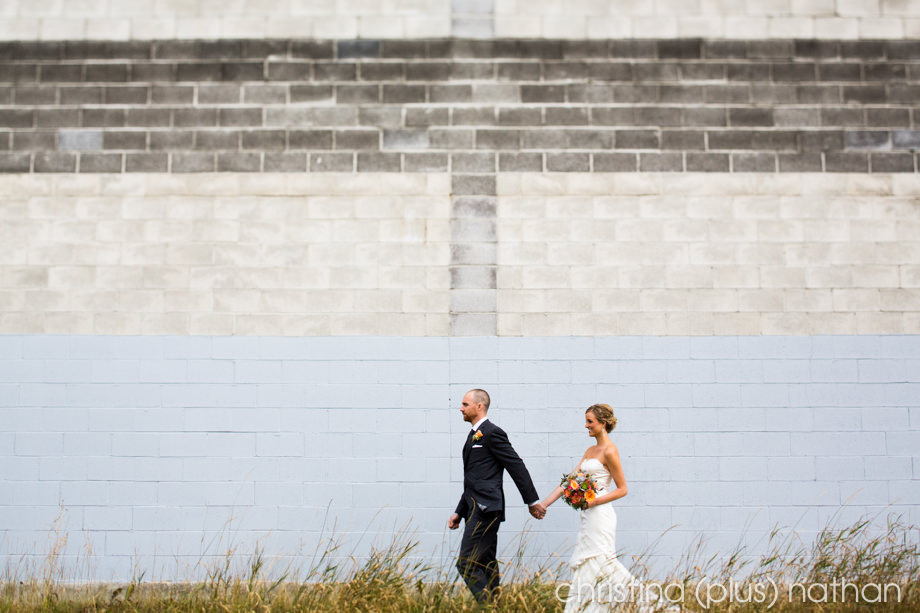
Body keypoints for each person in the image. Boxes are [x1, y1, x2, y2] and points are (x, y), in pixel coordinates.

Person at [539, 403, 643, 612]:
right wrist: (544, 504)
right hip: (588, 514)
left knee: (601, 560)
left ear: (603, 424)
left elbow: (622, 489)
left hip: (600, 513)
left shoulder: (610, 451)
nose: (586, 426)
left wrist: (593, 501)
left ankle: (635, 603)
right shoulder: (589, 450)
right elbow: (570, 480)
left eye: (590, 422)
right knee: (587, 562)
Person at [448, 388, 545, 603]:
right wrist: (459, 511)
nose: (460, 408)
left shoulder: (492, 432)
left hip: (486, 509)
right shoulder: (472, 435)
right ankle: (499, 605)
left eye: (465, 404)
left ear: (479, 406)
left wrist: (532, 501)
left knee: (466, 563)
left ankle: (488, 607)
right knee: (485, 563)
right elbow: (473, 480)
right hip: (475, 507)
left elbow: (516, 465)